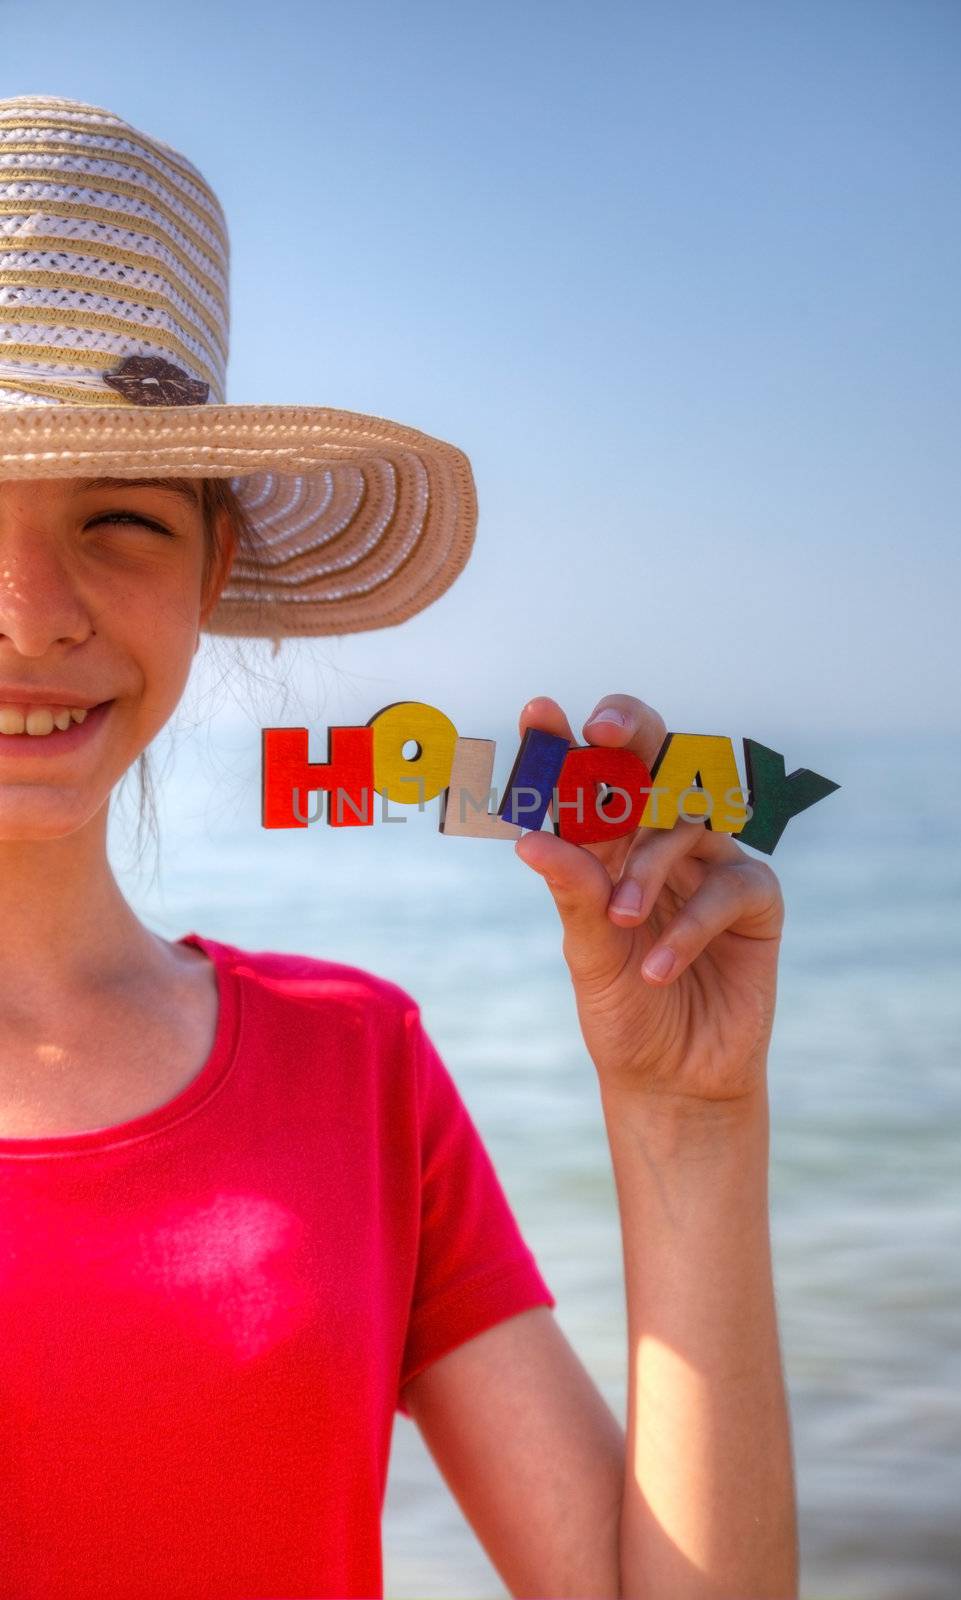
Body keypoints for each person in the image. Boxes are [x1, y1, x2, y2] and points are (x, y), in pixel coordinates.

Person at [0, 95, 798, 1599]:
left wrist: (687, 1113)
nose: (33, 609)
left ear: (213, 568)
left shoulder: (353, 1067)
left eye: (118, 519)